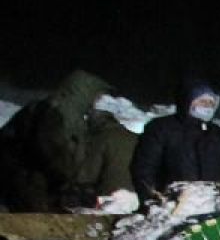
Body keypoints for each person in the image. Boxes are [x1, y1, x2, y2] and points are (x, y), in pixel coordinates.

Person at [0, 70, 137, 210]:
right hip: (28, 181)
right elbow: (50, 150)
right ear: (84, 92)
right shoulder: (57, 112)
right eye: (96, 96)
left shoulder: (67, 114)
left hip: (30, 180)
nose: (95, 101)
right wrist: (68, 178)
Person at [131, 80, 220, 199]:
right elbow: (145, 168)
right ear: (187, 101)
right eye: (202, 101)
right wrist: (152, 197)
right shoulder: (162, 128)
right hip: (174, 204)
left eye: (211, 103)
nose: (207, 106)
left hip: (212, 203)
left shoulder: (219, 134)